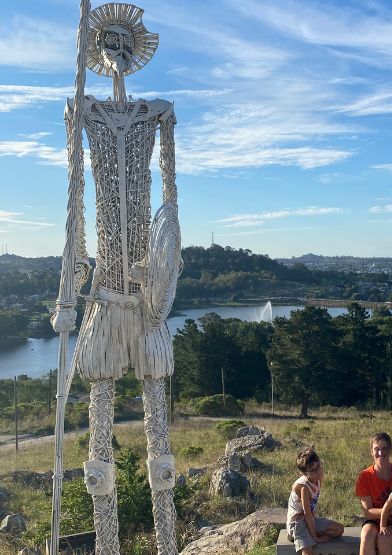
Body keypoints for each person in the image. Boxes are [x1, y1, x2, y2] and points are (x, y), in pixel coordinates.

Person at [51, 4, 181, 552]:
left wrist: (166, 273)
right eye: (108, 41)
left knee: (159, 427)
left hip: (146, 299)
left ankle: (167, 539)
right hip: (105, 296)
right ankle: (107, 545)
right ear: (97, 53)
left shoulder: (156, 114)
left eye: (126, 40)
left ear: (137, 49)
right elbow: (74, 202)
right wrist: (69, 291)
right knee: (98, 422)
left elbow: (170, 203)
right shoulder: (89, 113)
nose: (119, 50)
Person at [287, 447, 344, 555]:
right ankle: (300, 536)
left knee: (339, 530)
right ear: (304, 474)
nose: (318, 471)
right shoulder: (304, 488)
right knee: (308, 552)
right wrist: (316, 537)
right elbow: (306, 514)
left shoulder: (318, 479)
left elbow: (310, 515)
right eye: (313, 470)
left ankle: (307, 536)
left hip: (310, 519)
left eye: (318, 466)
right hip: (298, 523)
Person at [355, 432, 392, 555]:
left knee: (383, 538)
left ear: (390, 450)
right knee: (367, 535)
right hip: (375, 519)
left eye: (384, 448)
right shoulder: (365, 476)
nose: (380, 453)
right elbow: (368, 512)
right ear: (372, 452)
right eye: (376, 449)